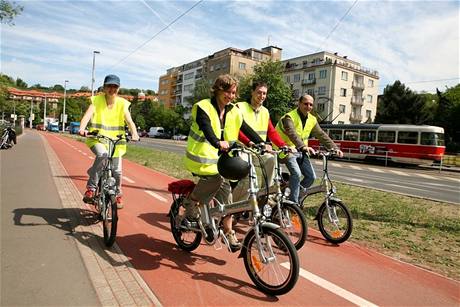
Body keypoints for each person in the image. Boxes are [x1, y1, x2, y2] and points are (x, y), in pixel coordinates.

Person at [184, 74, 263, 252]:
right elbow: (207, 129)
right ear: (218, 90)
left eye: (234, 93)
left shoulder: (233, 110)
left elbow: (245, 129)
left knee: (226, 195)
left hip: (221, 160)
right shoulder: (203, 107)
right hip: (201, 157)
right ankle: (191, 202)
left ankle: (228, 230)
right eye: (227, 92)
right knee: (216, 179)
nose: (231, 96)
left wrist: (262, 143)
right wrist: (217, 143)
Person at [79, 74, 140, 209]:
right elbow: (87, 116)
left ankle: (117, 195)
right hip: (97, 139)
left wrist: (134, 133)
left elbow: (129, 121)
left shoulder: (122, 103)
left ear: (118, 88)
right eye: (109, 86)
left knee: (117, 172)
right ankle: (91, 188)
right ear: (104, 87)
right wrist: (82, 128)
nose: (112, 89)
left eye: (115, 86)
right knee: (103, 155)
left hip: (116, 142)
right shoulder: (96, 100)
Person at [275, 94, 343, 203]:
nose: (308, 106)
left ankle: (290, 194)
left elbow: (321, 134)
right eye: (305, 104)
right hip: (285, 150)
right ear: (299, 103)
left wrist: (334, 148)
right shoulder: (289, 117)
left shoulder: (312, 119)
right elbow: (292, 133)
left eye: (311, 104)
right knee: (296, 174)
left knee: (311, 177)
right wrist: (303, 147)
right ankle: (293, 205)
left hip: (300, 151)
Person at [233, 81, 287, 201]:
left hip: (258, 150)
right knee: (250, 180)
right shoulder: (239, 107)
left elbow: (271, 132)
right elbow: (237, 129)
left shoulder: (265, 111)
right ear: (252, 92)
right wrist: (252, 142)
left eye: (264, 93)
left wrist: (283, 146)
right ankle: (235, 207)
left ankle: (265, 196)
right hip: (242, 149)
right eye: (259, 92)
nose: (262, 96)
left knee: (272, 160)